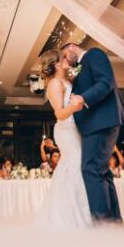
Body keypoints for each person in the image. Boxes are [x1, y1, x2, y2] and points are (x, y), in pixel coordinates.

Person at [62, 43, 124, 225]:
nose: (67, 61)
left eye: (65, 56)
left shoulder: (93, 54)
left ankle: (102, 223)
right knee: (102, 172)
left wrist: (84, 98)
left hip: (100, 122)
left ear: (72, 47)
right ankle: (113, 222)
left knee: (90, 168)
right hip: (96, 124)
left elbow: (105, 81)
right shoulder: (81, 66)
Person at [35, 49, 92, 228]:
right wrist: (76, 106)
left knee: (75, 167)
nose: (67, 59)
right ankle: (71, 217)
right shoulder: (54, 84)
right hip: (66, 130)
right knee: (75, 166)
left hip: (76, 129)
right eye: (63, 58)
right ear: (57, 63)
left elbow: (79, 71)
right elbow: (59, 113)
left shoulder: (67, 79)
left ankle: (78, 211)